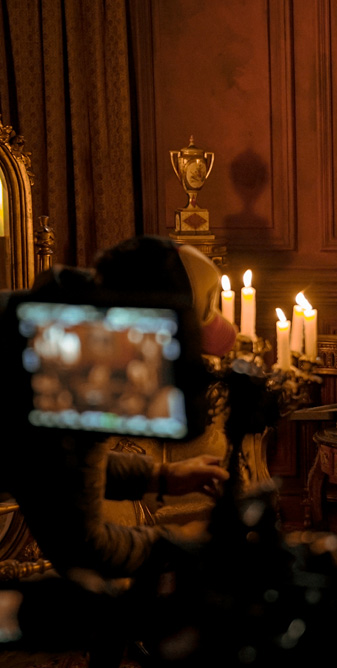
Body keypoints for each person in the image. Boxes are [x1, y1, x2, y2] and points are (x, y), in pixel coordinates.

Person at [0, 237, 236, 655]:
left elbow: (56, 464)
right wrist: (187, 546)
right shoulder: (67, 359)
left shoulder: (62, 321)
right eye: (182, 353)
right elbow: (84, 545)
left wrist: (161, 476)